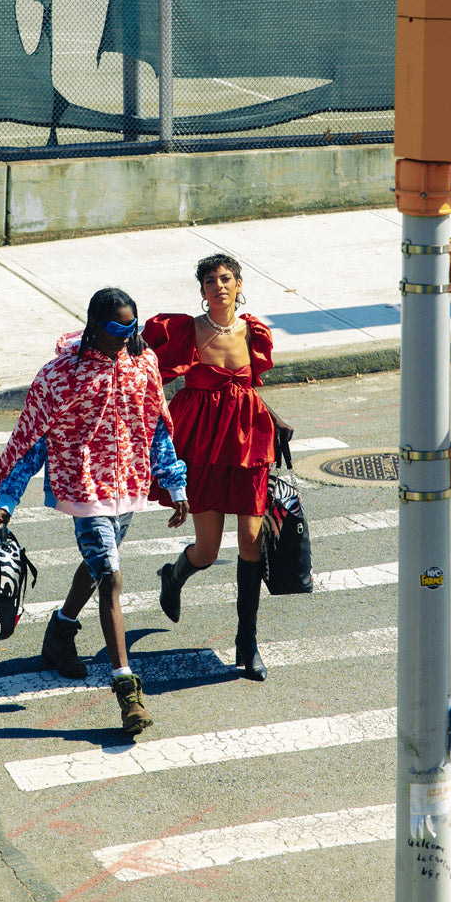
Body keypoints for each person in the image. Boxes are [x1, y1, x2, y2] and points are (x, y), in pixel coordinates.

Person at [0, 287, 189, 735]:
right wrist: (6, 501)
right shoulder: (59, 375)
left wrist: (174, 483)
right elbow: (32, 441)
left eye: (132, 327)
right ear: (94, 324)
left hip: (129, 486)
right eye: (117, 328)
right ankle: (127, 691)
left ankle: (60, 633)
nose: (126, 335)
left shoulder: (143, 363)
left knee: (98, 566)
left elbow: (156, 428)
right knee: (112, 576)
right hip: (85, 488)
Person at [141, 253, 276, 681]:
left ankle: (247, 641)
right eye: (209, 281)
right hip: (200, 442)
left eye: (225, 278)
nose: (218, 285)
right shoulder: (186, 330)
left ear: (239, 285)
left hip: (248, 440)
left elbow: (253, 386)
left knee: (251, 541)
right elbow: (144, 367)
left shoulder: (254, 331)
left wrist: (273, 421)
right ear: (201, 292)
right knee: (208, 550)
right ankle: (174, 575)